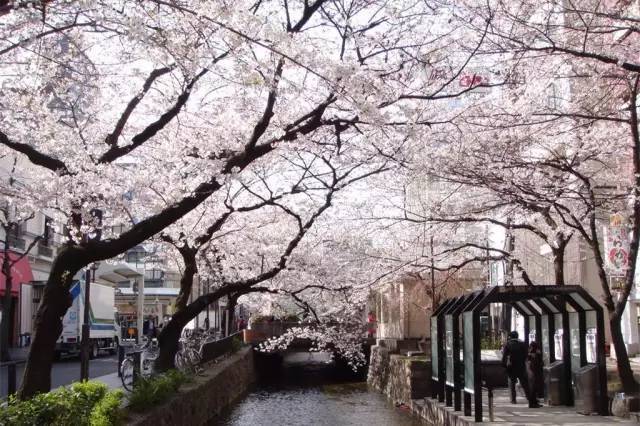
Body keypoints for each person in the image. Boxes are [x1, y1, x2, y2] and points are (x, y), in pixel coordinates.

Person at [502, 331, 540, 408]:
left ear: (510, 337)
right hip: (521, 367)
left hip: (511, 367)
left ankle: (513, 399)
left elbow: (504, 356)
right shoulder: (522, 344)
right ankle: (530, 399)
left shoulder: (507, 344)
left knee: (512, 384)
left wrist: (504, 366)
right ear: (517, 336)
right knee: (525, 384)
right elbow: (526, 355)